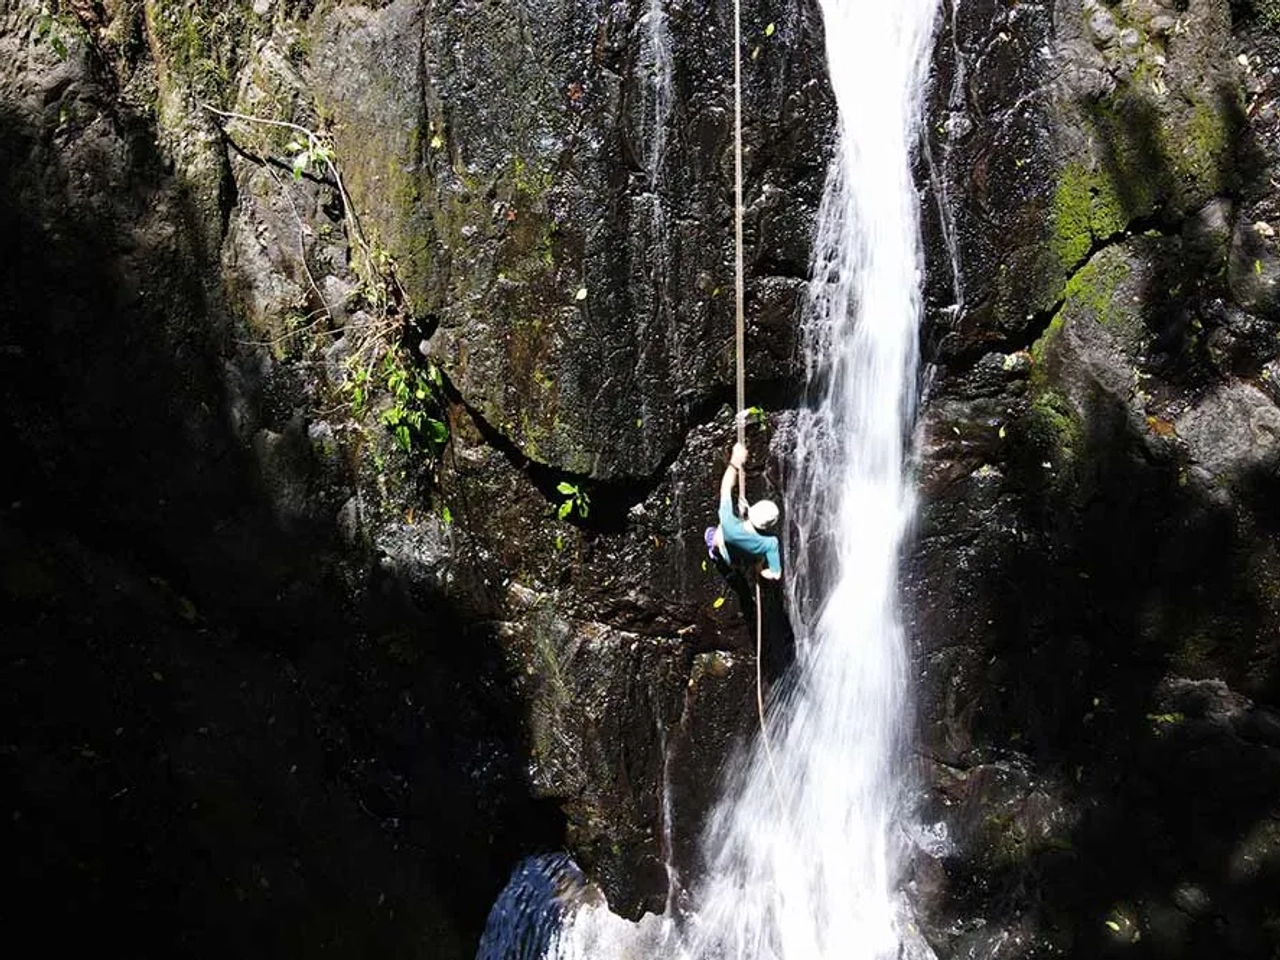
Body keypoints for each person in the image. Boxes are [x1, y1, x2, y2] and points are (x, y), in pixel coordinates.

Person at [704, 441, 781, 580]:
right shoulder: (771, 543)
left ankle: (714, 551)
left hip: (727, 553)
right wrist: (761, 570)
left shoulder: (728, 524)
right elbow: (776, 574)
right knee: (758, 555)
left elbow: (725, 488)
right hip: (745, 558)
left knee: (714, 533)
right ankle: (748, 565)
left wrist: (735, 461)